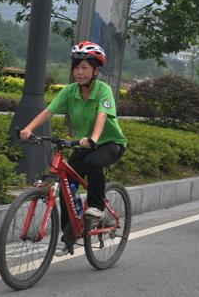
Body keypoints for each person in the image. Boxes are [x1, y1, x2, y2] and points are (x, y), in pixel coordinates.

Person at [20, 41, 127, 256]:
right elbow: (48, 111)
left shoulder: (103, 90)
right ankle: (69, 234)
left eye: (85, 67)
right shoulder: (69, 92)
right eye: (76, 67)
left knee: (93, 162)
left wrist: (94, 138)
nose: (79, 72)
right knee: (66, 181)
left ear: (96, 70)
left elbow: (102, 116)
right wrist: (28, 128)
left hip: (110, 143)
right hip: (83, 143)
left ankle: (96, 208)